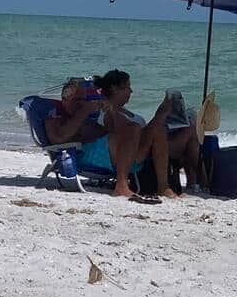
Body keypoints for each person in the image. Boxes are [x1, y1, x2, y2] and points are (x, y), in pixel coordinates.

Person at [45, 73, 179, 201]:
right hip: (86, 156)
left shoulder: (90, 115)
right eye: (79, 99)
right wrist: (84, 111)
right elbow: (59, 138)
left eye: (85, 99)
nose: (82, 103)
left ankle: (163, 187)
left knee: (157, 129)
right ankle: (121, 185)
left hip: (117, 155)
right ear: (65, 99)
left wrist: (110, 111)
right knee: (132, 128)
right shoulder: (55, 115)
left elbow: (110, 130)